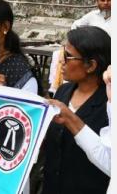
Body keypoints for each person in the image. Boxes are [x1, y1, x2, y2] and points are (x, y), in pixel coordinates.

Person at [42, 27, 110, 194]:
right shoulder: (63, 91)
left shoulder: (108, 106)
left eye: (67, 57)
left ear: (91, 65)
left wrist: (70, 119)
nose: (61, 62)